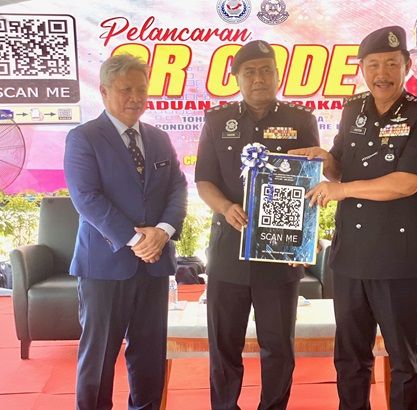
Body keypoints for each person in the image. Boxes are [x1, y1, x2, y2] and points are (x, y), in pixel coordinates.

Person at [290, 26, 417, 410]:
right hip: (350, 256)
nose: (382, 73)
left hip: (397, 256)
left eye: (391, 63)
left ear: (406, 65)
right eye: (373, 64)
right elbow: (341, 169)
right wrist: (324, 159)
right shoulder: (353, 108)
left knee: (402, 358)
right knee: (350, 356)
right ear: (362, 69)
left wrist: (341, 190)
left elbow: (407, 183)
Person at [194, 40, 320, 410]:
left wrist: (304, 238)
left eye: (266, 70)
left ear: (278, 75)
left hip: (279, 253)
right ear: (236, 78)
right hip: (228, 250)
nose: (259, 78)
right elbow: (204, 180)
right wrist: (226, 207)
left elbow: (310, 182)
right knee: (224, 346)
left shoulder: (301, 120)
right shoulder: (218, 121)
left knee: (278, 347)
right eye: (249, 72)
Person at [64, 54, 188, 409]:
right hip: (104, 265)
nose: (136, 98)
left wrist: (162, 231)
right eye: (126, 90)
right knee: (99, 356)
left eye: (142, 90)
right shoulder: (84, 138)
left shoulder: (159, 138)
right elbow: (86, 198)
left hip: (154, 264)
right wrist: (136, 240)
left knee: (150, 355)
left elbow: (178, 187)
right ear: (104, 91)